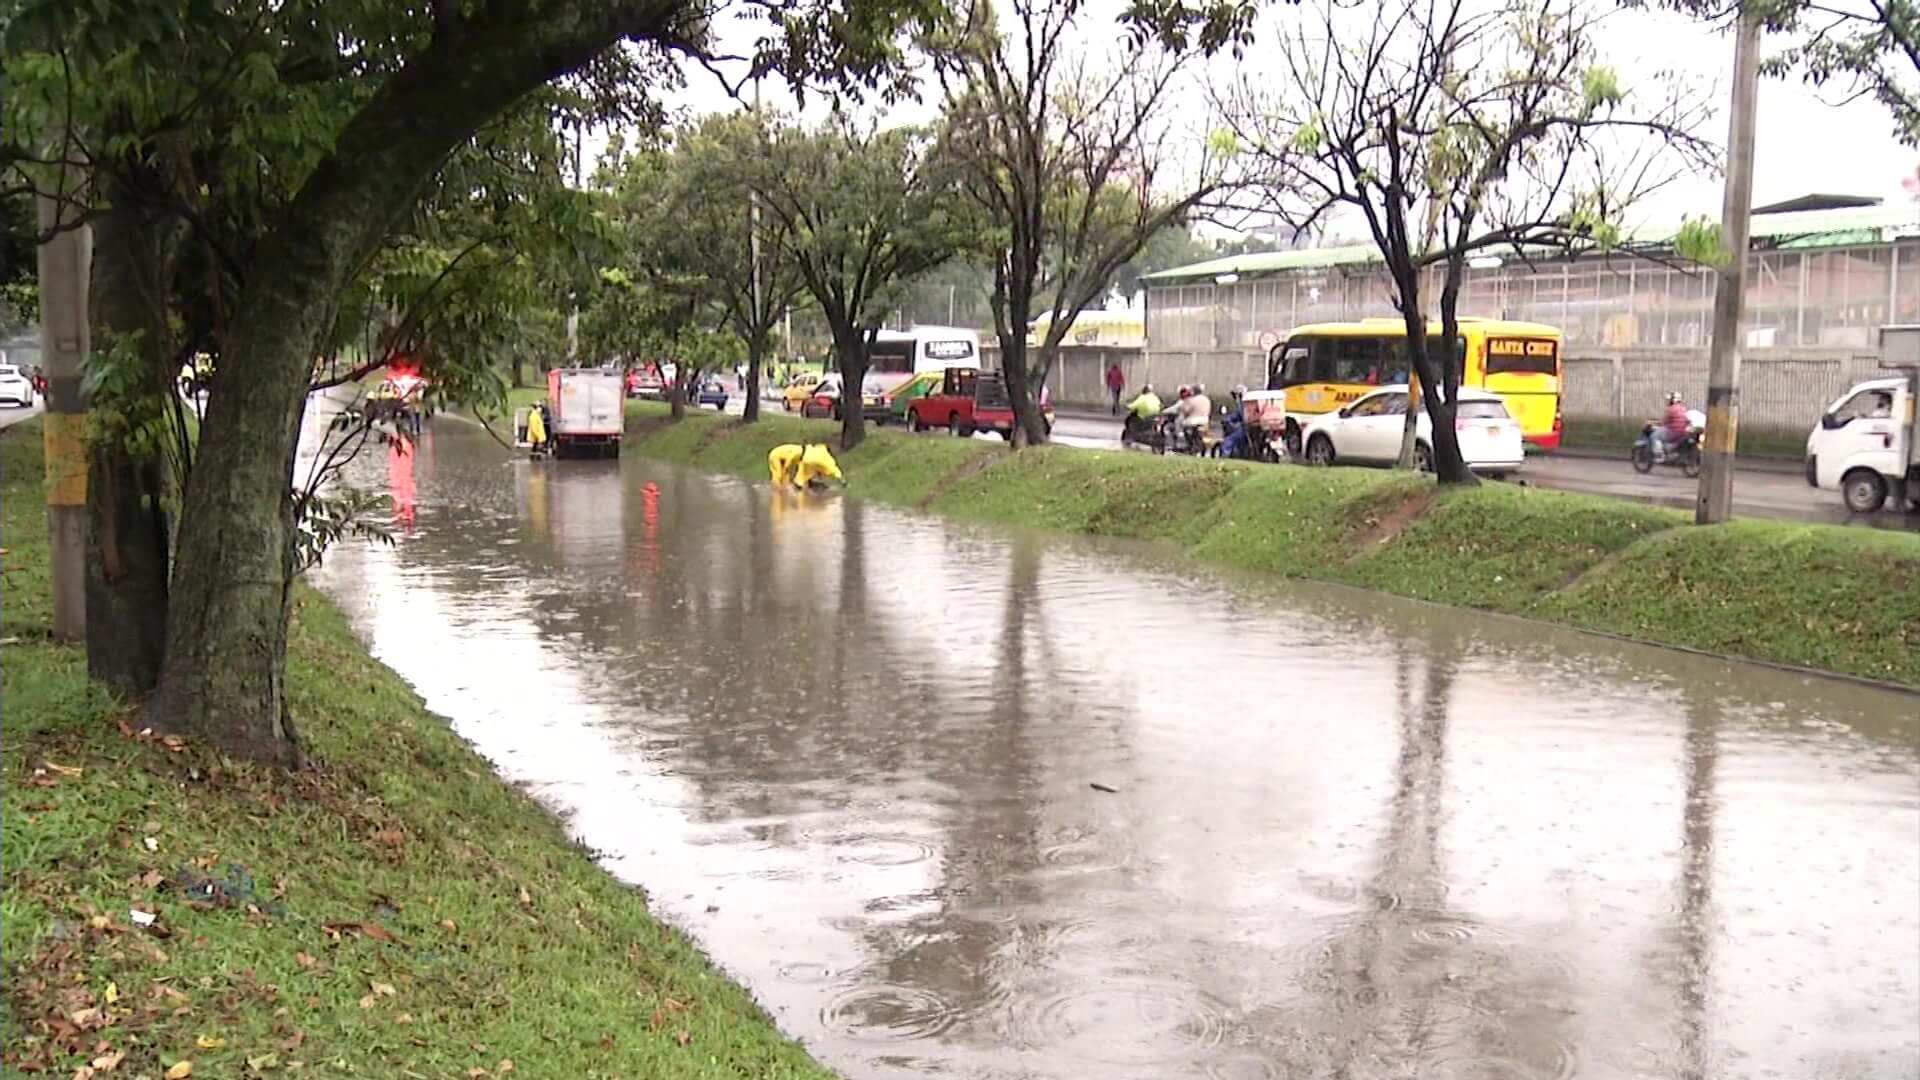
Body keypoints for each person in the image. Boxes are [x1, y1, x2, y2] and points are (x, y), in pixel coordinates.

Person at [1656, 391, 1691, 458]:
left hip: (1673, 432)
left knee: (1655, 436)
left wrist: (1658, 423)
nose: (1668, 402)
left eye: (1669, 400)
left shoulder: (1671, 409)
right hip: (1682, 432)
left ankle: (1659, 455)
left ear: (1673, 400)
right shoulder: (1683, 408)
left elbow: (1664, 421)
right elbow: (1686, 420)